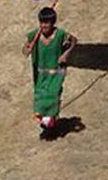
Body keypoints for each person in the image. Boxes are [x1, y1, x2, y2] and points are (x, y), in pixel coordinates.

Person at [23, 7, 76, 135]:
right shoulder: (34, 35)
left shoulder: (61, 34)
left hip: (56, 72)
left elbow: (74, 40)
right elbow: (24, 50)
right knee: (40, 96)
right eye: (41, 22)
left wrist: (66, 54)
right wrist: (27, 49)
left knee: (53, 94)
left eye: (47, 23)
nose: (44, 25)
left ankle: (50, 121)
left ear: (53, 23)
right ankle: (47, 121)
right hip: (40, 73)